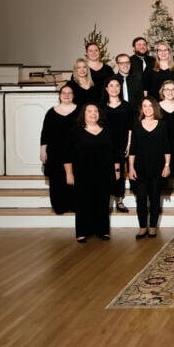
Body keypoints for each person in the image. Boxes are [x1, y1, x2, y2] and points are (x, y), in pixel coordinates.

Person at [63, 103, 120, 243]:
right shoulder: (75, 131)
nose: (93, 114)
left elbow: (115, 153)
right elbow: (67, 155)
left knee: (102, 201)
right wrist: (69, 174)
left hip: (104, 172)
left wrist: (117, 170)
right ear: (84, 114)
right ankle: (82, 232)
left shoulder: (107, 131)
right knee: (83, 202)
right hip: (83, 173)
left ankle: (103, 231)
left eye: (96, 111)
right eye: (89, 111)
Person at [128, 96, 171, 239]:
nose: (147, 108)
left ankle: (152, 227)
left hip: (157, 168)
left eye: (150, 105)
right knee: (140, 199)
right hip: (140, 168)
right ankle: (142, 227)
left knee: (154, 198)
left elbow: (166, 148)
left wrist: (167, 165)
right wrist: (131, 168)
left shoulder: (163, 125)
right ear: (142, 109)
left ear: (155, 108)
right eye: (144, 106)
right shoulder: (137, 125)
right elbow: (133, 149)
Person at [39, 86, 78, 214]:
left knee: (74, 178)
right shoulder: (51, 112)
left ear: (73, 95)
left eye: (69, 92)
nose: (67, 95)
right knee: (56, 179)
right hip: (55, 151)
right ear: (60, 95)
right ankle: (59, 206)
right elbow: (45, 133)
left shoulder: (80, 111)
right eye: (64, 92)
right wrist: (43, 150)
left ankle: (73, 204)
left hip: (74, 151)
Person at [100, 77, 132, 214]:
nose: (114, 88)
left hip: (122, 144)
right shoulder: (100, 106)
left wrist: (129, 144)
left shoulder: (127, 105)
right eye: (111, 85)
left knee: (119, 173)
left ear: (120, 88)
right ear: (106, 88)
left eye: (117, 85)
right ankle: (105, 201)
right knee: (105, 173)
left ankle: (119, 200)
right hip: (104, 145)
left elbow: (131, 127)